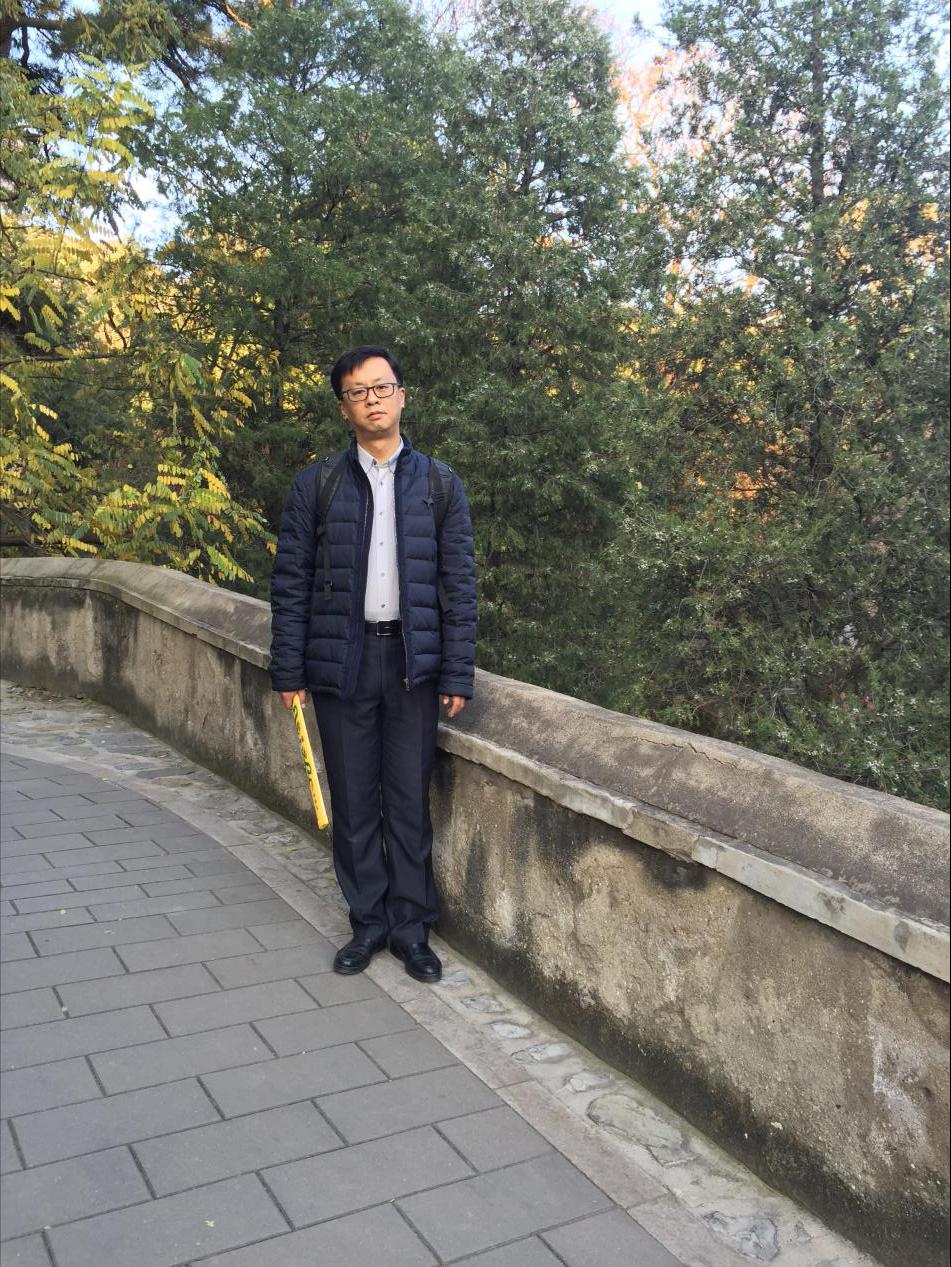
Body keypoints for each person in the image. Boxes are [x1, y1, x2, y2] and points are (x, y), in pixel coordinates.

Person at [268, 345, 477, 983]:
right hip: (343, 660)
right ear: (344, 408)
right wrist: (288, 669)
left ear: (401, 395)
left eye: (381, 387)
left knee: (409, 801)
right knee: (355, 801)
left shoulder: (439, 484)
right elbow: (291, 581)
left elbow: (459, 585)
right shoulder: (317, 484)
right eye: (358, 392)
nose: (372, 400)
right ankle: (367, 923)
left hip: (413, 664)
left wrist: (458, 672)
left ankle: (411, 930)